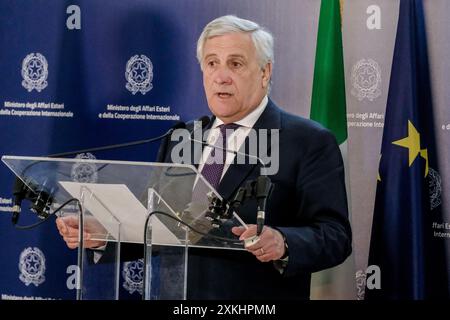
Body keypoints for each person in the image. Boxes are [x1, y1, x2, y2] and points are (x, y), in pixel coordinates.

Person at [56, 15, 352, 299]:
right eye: (212, 63)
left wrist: (283, 242)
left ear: (265, 72)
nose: (221, 76)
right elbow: (160, 227)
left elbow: (335, 235)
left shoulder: (308, 141)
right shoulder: (183, 137)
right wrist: (104, 235)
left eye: (235, 64)